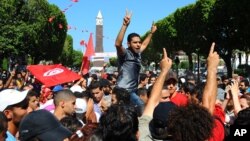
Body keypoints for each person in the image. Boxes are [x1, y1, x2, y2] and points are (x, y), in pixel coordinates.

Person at [115, 9, 157, 113]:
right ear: (129, 44)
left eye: (139, 42)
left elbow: (144, 45)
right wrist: (125, 25)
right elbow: (118, 44)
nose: (138, 44)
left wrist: (151, 33)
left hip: (133, 90)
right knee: (141, 106)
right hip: (123, 90)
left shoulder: (138, 53)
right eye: (135, 42)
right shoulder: (125, 54)